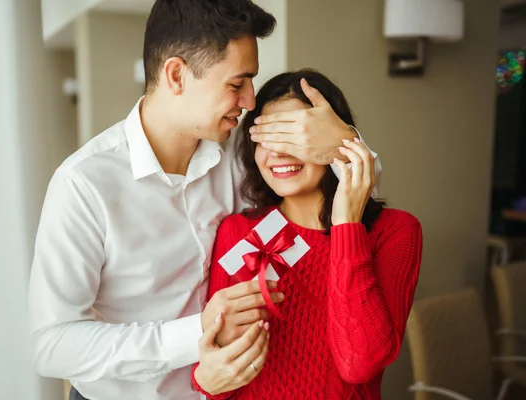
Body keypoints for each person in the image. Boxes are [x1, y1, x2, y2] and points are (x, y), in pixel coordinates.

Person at [28, 1, 381, 399]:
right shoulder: (83, 184)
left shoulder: (237, 153)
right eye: (236, 84)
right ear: (177, 75)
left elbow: (349, 178)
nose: (250, 101)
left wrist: (342, 138)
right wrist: (196, 333)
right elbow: (51, 345)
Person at [191, 69, 422, 399]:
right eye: (267, 139)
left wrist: (346, 225)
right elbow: (222, 375)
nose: (279, 153)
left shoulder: (395, 232)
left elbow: (359, 365)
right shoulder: (241, 232)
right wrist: (207, 379)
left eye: (293, 137)